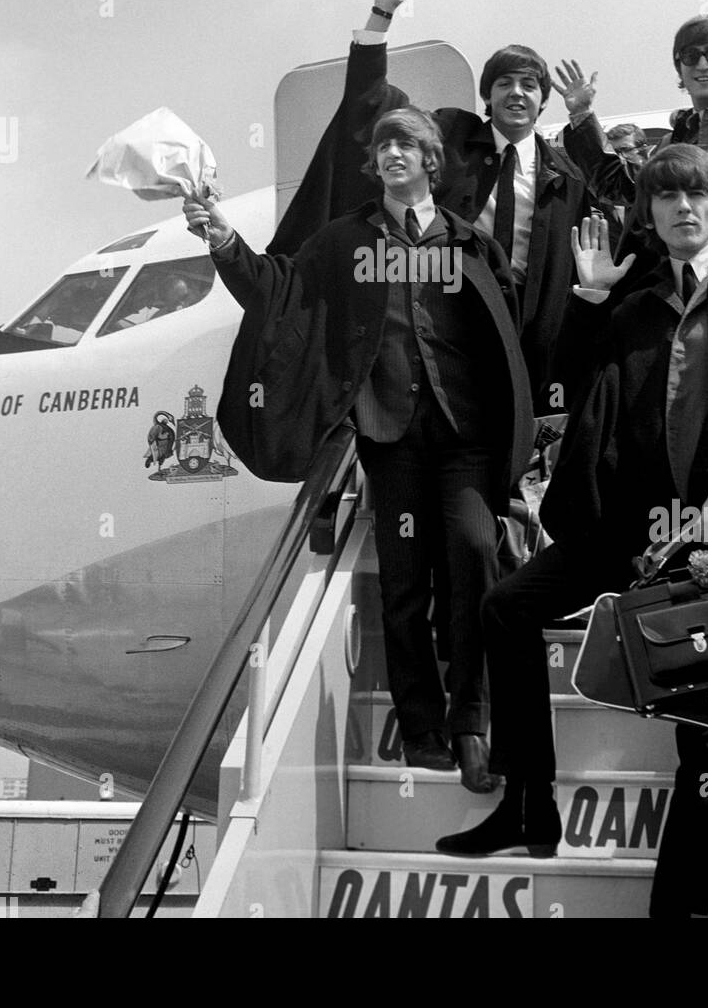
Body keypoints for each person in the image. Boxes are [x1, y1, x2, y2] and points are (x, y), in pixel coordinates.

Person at [435, 144, 708, 918]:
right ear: (648, 216)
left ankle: (676, 907)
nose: (684, 208)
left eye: (698, 197)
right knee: (507, 606)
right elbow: (570, 390)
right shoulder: (638, 299)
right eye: (667, 198)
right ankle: (529, 805)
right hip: (631, 528)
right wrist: (588, 301)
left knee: (704, 737)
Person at [184, 107, 532, 794]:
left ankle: (472, 724)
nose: (393, 153)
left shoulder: (469, 243)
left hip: (465, 435)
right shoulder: (344, 241)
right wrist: (224, 239)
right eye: (383, 146)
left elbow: (510, 335)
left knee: (472, 553)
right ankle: (423, 730)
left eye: (407, 143)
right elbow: (276, 291)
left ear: (431, 159)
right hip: (390, 435)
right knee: (403, 585)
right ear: (374, 165)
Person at [273, 0, 591, 416]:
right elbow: (372, 106)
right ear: (488, 96)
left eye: (528, 85)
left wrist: (585, 119)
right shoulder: (450, 135)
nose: (516, 93)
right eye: (504, 83)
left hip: (526, 342)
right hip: (442, 320)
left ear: (544, 101)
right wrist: (380, 17)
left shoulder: (565, 179)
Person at [555, 15, 708, 281]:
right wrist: (582, 114)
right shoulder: (673, 140)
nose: (702, 64)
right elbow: (620, 187)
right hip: (677, 290)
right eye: (690, 56)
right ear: (679, 68)